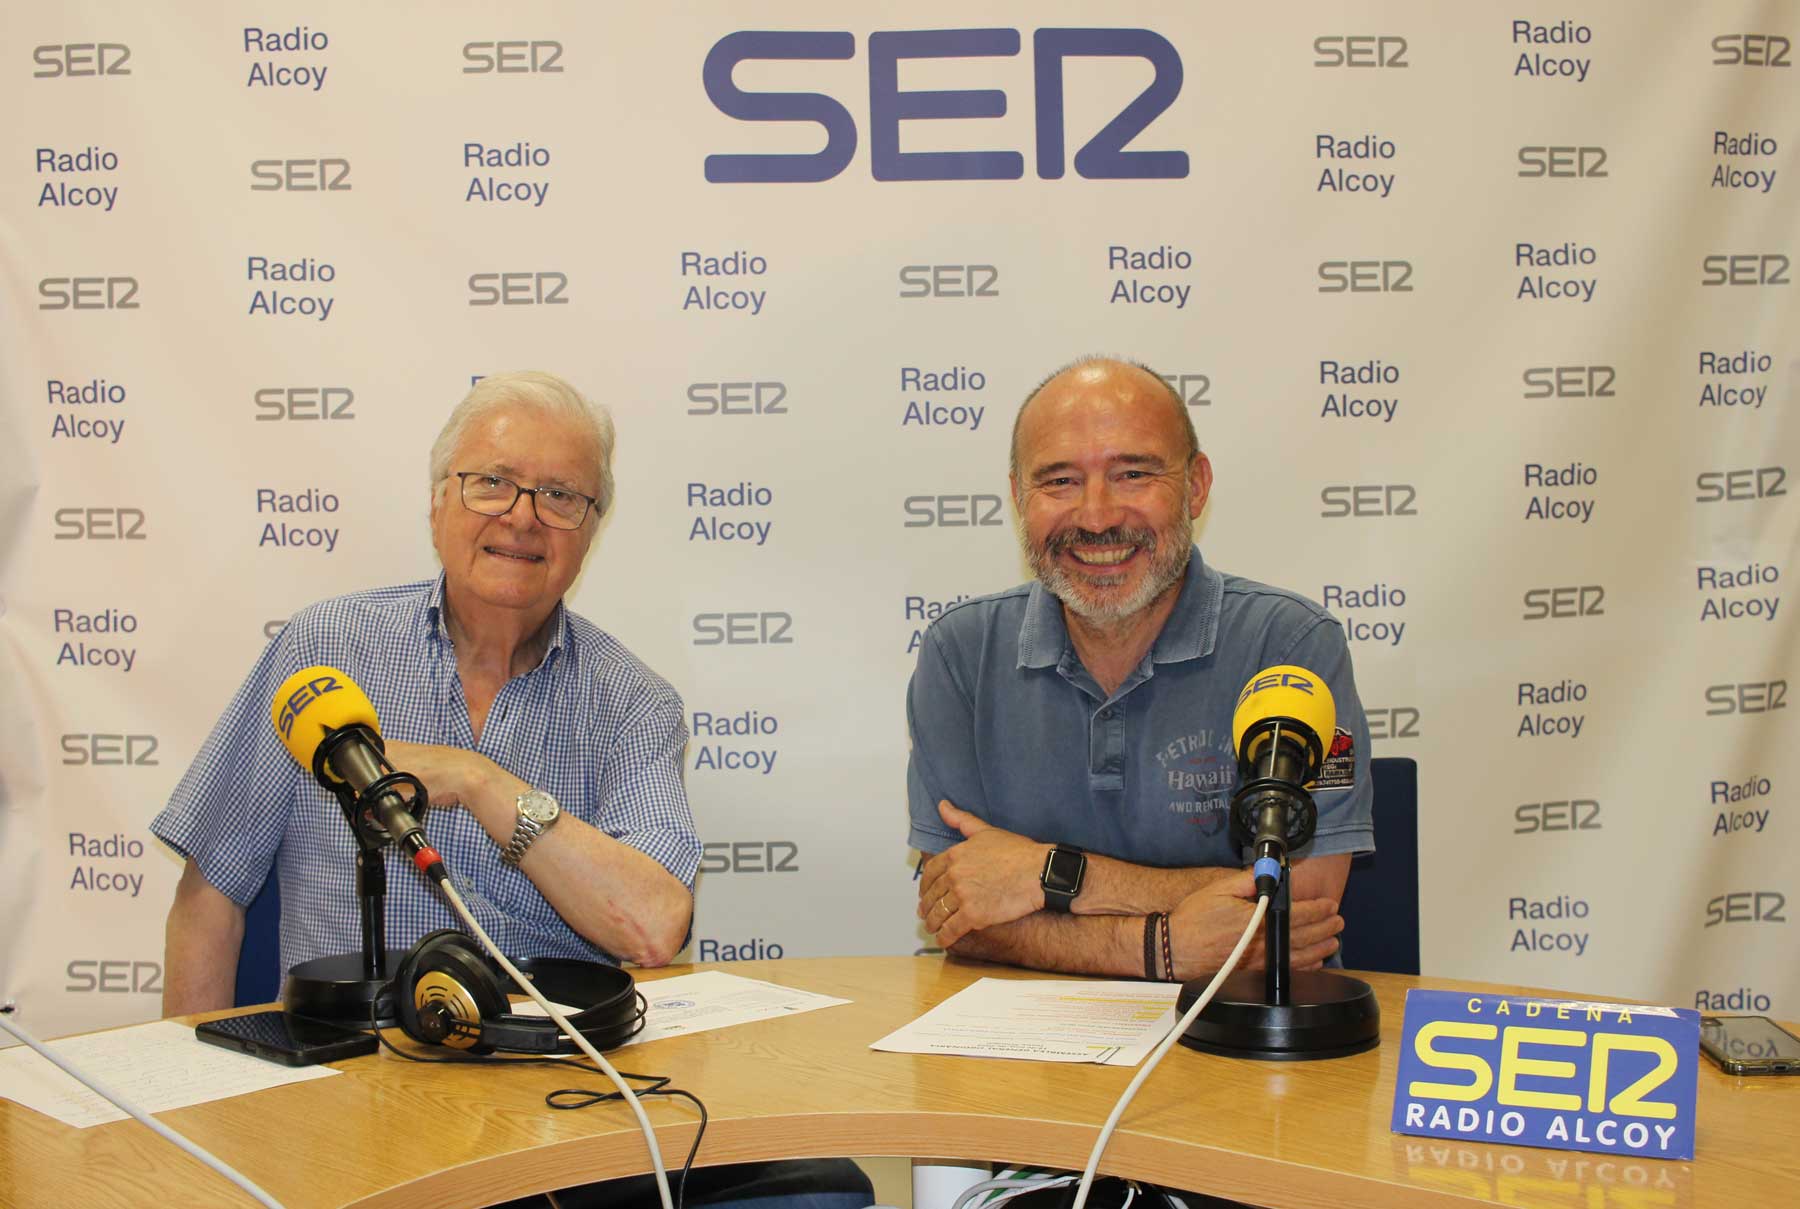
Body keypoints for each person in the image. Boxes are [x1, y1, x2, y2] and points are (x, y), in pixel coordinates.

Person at [154, 370, 870, 1209]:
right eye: (491, 482)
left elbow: (651, 924)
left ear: (590, 530)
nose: (522, 515)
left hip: (562, 1116)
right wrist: (187, 1128)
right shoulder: (325, 652)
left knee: (823, 1192)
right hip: (346, 1109)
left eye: (560, 495)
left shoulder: (633, 703)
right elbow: (211, 897)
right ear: (436, 503)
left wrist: (480, 781)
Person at [908, 357, 1373, 983]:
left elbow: (1299, 909)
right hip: (1022, 1054)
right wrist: (1161, 947)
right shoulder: (959, 653)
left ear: (1196, 486)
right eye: (1060, 481)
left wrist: (1045, 873)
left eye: (1132, 474)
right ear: (1019, 497)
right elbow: (957, 909)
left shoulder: (1290, 645)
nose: (1097, 517)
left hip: (1244, 1045)